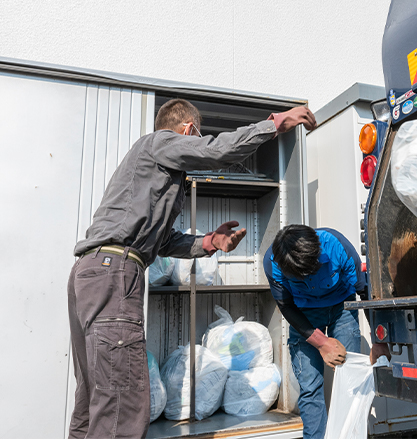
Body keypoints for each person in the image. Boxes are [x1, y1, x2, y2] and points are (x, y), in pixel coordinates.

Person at [67, 98, 316, 439]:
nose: (198, 142)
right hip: (113, 273)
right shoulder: (159, 143)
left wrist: (209, 243)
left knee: (96, 393)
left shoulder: (150, 171)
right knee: (122, 401)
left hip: (93, 273)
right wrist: (273, 124)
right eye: (196, 136)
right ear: (187, 130)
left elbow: (164, 241)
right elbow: (218, 151)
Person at [263, 224, 391, 439]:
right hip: (303, 314)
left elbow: (365, 291)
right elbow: (286, 305)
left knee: (350, 379)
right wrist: (321, 342)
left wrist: (379, 340)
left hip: (341, 308)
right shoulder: (273, 262)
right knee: (310, 386)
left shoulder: (337, 246)